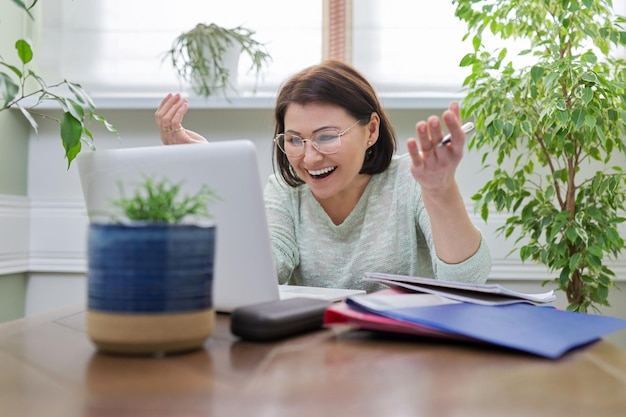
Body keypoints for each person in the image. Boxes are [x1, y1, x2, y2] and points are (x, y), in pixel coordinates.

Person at [155, 60, 491, 292]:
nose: (310, 156)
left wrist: (441, 191)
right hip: (317, 365)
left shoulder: (410, 181)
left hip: (407, 362)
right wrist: (214, 174)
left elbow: (468, 280)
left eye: (327, 136)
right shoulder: (285, 192)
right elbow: (257, 276)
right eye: (294, 140)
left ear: (371, 130)